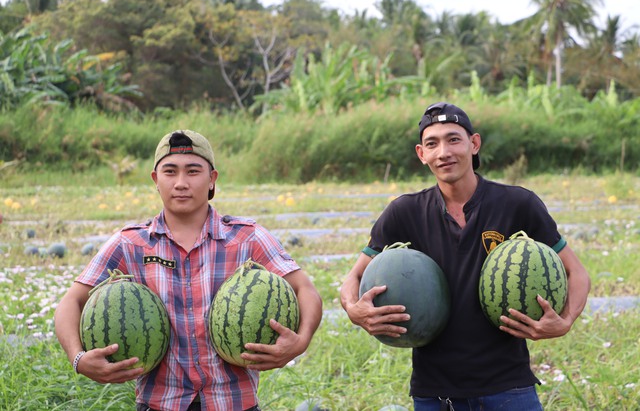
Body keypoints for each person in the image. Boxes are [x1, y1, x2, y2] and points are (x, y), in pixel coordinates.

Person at [340, 102, 591, 411]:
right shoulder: (404, 213)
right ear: (422, 154)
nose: (444, 151)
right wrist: (355, 310)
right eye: (432, 143)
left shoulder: (517, 204)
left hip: (509, 385)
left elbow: (576, 273)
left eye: (453, 139)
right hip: (435, 391)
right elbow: (353, 277)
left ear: (474, 144)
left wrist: (565, 321)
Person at [55, 129, 323, 411]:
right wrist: (79, 359)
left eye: (193, 171)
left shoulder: (248, 238)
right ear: (156, 180)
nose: (181, 183)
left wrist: (300, 341)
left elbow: (304, 289)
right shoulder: (130, 243)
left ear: (212, 180)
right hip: (159, 404)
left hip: (233, 404)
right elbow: (71, 302)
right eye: (170, 172)